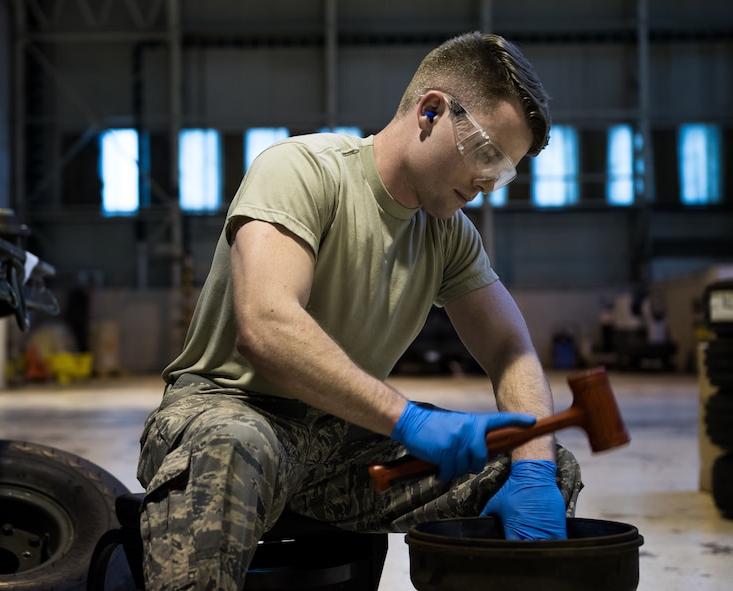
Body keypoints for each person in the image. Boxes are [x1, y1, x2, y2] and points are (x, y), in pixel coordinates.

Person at [137, 31, 583, 590]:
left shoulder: (448, 234)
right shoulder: (303, 170)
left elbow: (508, 348)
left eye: (506, 170)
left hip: (342, 441)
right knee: (231, 447)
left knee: (535, 463)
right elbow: (267, 325)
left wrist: (535, 467)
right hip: (232, 408)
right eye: (488, 155)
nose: (490, 182)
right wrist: (408, 420)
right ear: (431, 111)